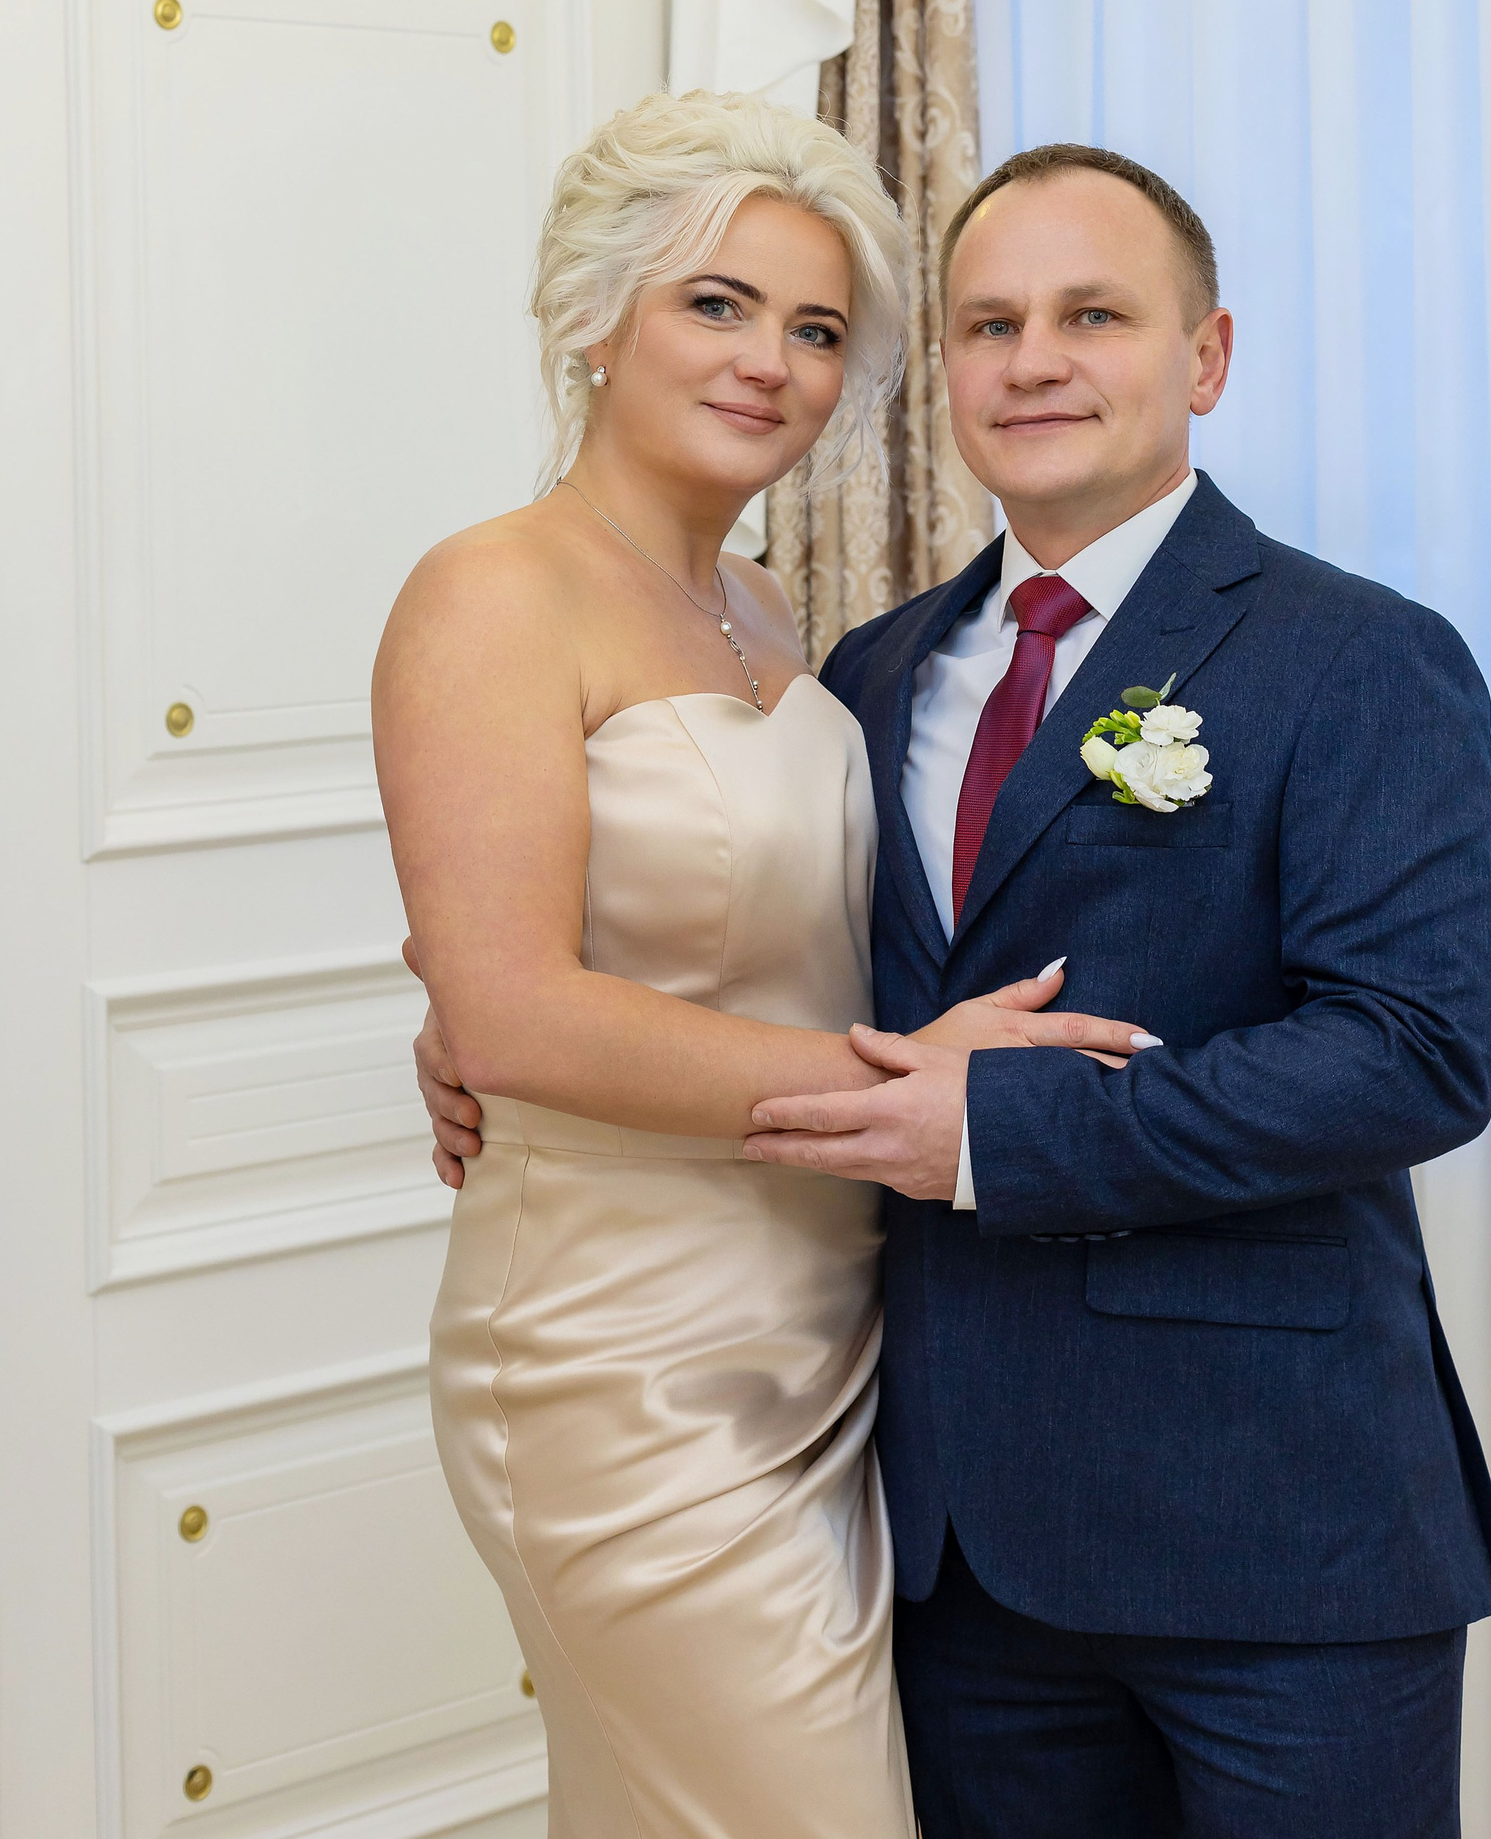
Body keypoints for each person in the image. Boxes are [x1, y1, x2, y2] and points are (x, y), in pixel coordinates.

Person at [418, 138, 1491, 1839]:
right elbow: (739, 920)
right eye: (991, 324)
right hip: (942, 1533)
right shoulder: (869, 666)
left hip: (1274, 1520)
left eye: (1095, 316)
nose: (1036, 361)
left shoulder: (1360, 655)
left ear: (1206, 356)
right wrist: (477, 998)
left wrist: (997, 1125)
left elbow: (1414, 1052)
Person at [374, 94, 1148, 1839]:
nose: (770, 364)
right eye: (715, 304)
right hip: (617, 1355)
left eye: (813, 329)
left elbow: (722, 936)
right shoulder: (491, 593)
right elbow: (513, 1009)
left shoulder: (772, 615)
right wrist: (912, 1089)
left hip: (826, 1334)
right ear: (597, 316)